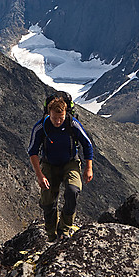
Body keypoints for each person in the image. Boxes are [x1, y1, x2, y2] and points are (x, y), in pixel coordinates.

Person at [27, 91, 94, 240]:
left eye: (61, 118)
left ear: (65, 113)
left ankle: (64, 229)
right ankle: (51, 233)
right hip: (49, 164)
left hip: (70, 162)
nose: (58, 121)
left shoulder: (72, 124)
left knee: (73, 191)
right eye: (54, 118)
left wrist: (89, 168)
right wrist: (40, 175)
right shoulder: (41, 127)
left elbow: (87, 145)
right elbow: (32, 152)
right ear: (49, 113)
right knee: (48, 201)